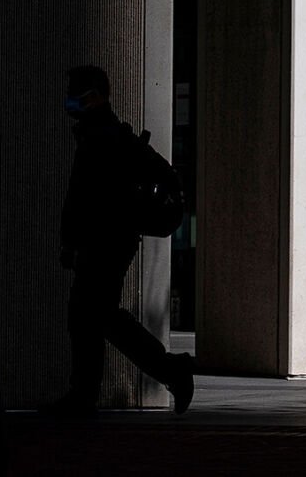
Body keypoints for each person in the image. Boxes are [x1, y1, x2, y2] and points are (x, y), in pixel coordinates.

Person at [41, 65, 195, 417]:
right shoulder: (99, 134)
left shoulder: (109, 137)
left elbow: (83, 197)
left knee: (95, 315)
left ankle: (165, 371)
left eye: (77, 94)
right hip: (105, 242)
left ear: (95, 96)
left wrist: (79, 237)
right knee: (93, 316)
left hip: (107, 243)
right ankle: (92, 392)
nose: (70, 101)